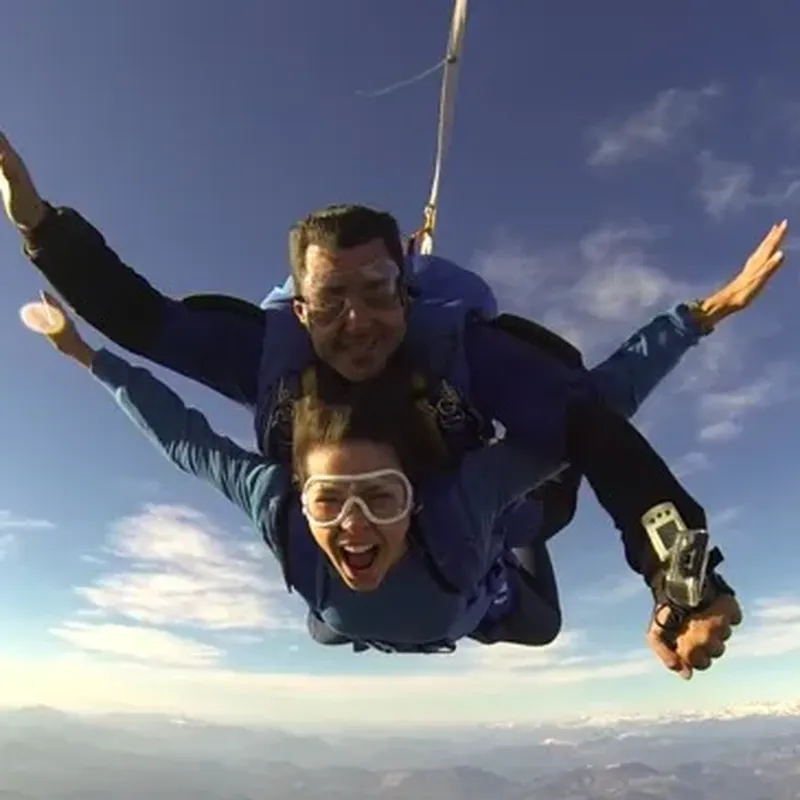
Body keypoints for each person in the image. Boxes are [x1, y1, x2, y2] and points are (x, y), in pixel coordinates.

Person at [3, 131, 772, 677]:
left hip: (477, 538)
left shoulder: (463, 369)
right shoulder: (269, 369)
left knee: (536, 591)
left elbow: (592, 420)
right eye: (331, 300)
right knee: (336, 624)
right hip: (389, 575)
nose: (357, 322)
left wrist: (681, 580)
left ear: (407, 294)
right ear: (297, 312)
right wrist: (39, 226)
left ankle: (488, 579)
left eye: (377, 295)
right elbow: (147, 324)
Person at [28, 295, 739, 674]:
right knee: (336, 626)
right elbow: (182, 438)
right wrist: (88, 356)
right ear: (299, 498)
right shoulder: (284, 513)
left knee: (535, 563)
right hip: (416, 599)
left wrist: (688, 323)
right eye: (328, 501)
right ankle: (502, 548)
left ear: (416, 494)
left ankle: (508, 545)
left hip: (476, 580)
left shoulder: (461, 499)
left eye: (383, 497)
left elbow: (588, 415)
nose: (356, 526)